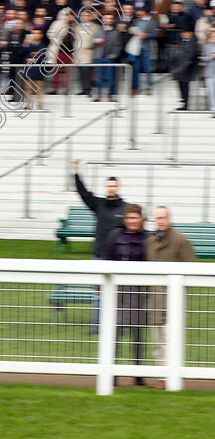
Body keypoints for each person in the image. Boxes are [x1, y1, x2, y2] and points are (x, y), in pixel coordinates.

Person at [144, 206, 197, 389]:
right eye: (157, 218)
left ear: (169, 218)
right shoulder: (149, 243)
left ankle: (170, 377)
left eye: (163, 217)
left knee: (170, 340)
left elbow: (192, 267)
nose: (160, 221)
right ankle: (162, 376)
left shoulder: (181, 240)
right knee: (157, 341)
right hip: (154, 300)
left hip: (173, 300)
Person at [73, 158, 127, 334]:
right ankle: (97, 326)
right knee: (98, 294)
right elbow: (84, 194)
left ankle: (119, 327)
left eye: (114, 186)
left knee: (119, 295)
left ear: (117, 187)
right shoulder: (99, 205)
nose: (111, 188)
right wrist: (76, 173)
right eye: (109, 186)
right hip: (99, 256)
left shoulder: (126, 208)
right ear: (107, 187)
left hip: (118, 258)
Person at [103, 204, 150, 387]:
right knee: (113, 333)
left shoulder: (148, 238)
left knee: (138, 335)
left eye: (135, 217)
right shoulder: (115, 236)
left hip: (138, 292)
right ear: (125, 219)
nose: (132, 221)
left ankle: (138, 374)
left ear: (141, 219)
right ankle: (112, 374)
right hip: (117, 291)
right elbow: (106, 259)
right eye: (129, 218)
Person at [171, 29, 198, 110]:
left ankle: (186, 103)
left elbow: (191, 55)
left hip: (187, 68)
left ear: (190, 33)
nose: (182, 34)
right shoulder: (181, 41)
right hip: (180, 68)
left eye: (184, 32)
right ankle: (183, 100)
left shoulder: (193, 42)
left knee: (185, 86)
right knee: (181, 85)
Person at [203, 28, 215, 118]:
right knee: (211, 92)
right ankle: (213, 110)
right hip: (209, 72)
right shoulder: (206, 46)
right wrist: (210, 57)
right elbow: (202, 60)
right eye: (212, 31)